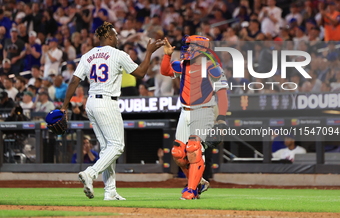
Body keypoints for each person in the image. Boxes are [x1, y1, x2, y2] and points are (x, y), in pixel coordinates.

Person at [60, 21, 165, 200]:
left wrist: (64, 106)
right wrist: (148, 52)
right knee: (117, 146)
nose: (117, 38)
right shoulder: (117, 54)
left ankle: (110, 191)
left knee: (106, 149)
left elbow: (74, 81)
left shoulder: (88, 55)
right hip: (107, 102)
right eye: (115, 35)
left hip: (91, 102)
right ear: (108, 36)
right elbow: (140, 73)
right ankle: (90, 173)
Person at [161, 35, 228, 200]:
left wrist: (221, 118)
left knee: (193, 148)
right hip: (185, 111)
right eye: (187, 46)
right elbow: (165, 71)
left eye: (190, 46)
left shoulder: (213, 67)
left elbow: (223, 94)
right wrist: (167, 54)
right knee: (178, 153)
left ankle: (191, 190)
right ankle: (199, 182)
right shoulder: (183, 65)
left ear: (201, 48)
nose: (187, 49)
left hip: (203, 110)